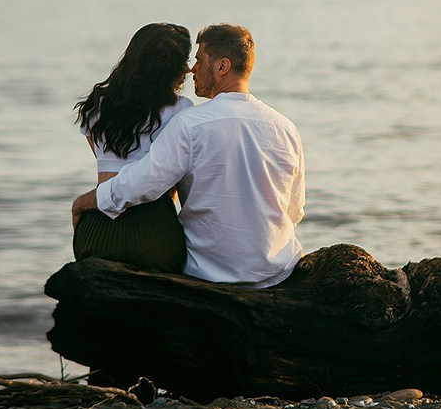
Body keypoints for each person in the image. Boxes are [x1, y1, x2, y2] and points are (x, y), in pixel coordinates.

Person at [72, 23, 305, 287]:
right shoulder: (285, 128)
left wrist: (86, 201)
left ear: (222, 67)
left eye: (198, 59)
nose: (192, 68)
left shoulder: (190, 124)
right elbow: (294, 210)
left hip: (208, 271)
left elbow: (143, 182)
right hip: (277, 269)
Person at [72, 22, 194, 273]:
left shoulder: (96, 105)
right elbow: (166, 180)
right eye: (183, 61)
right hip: (153, 232)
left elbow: (104, 162)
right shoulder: (181, 110)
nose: (188, 69)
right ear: (166, 67)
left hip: (96, 229)